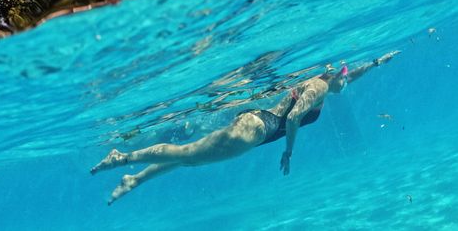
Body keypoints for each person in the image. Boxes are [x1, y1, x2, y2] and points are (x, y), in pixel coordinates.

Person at [90, 51, 399, 205]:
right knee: (189, 155)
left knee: (189, 158)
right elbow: (292, 119)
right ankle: (123, 158)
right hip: (258, 130)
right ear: (332, 74)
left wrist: (374, 64)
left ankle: (135, 179)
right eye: (343, 73)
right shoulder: (319, 87)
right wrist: (289, 152)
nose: (347, 77)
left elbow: (349, 77)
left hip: (256, 124)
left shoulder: (328, 82)